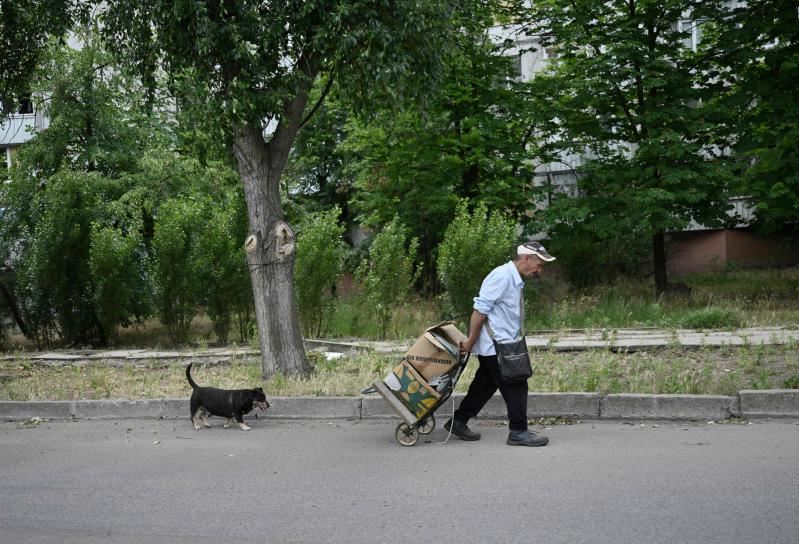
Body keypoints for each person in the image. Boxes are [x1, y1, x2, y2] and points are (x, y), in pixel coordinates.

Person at [445, 241, 556, 447]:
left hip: (503, 344)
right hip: (496, 346)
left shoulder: (513, 278)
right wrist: (470, 341)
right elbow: (479, 312)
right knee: (516, 386)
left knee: (485, 385)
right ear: (525, 259)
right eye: (538, 265)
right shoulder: (501, 276)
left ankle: (458, 421)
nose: (540, 270)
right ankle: (518, 432)